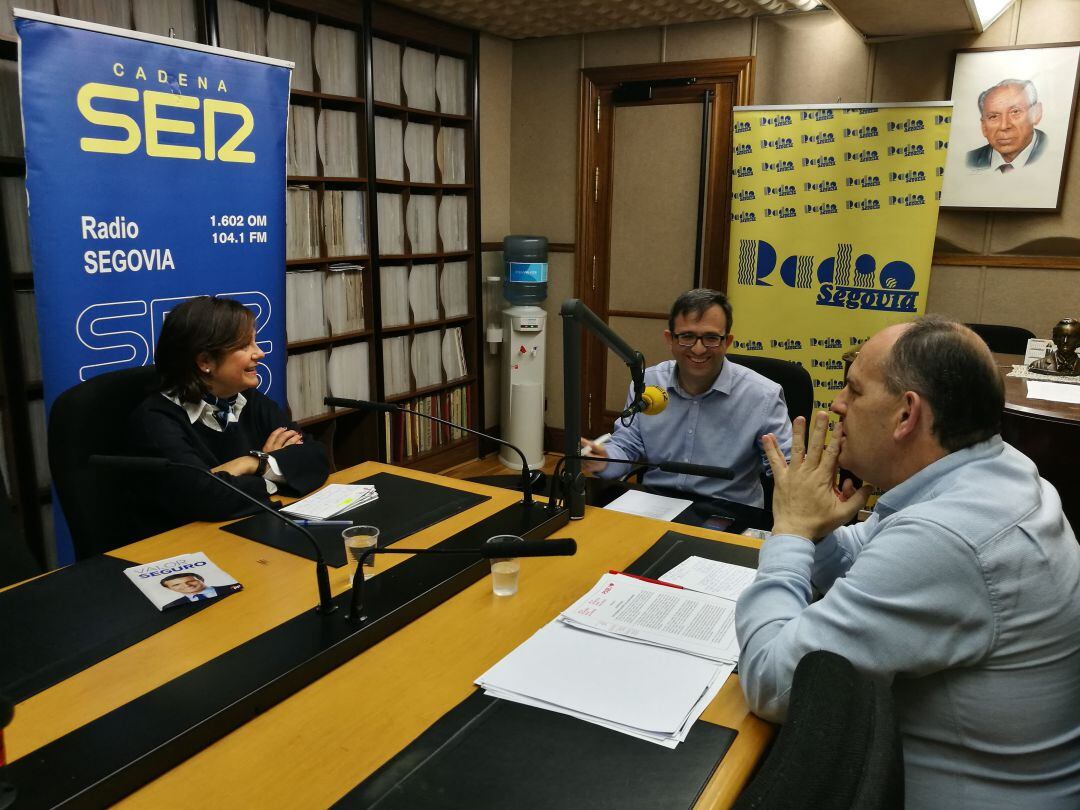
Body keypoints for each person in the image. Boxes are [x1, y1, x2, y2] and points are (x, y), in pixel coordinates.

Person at [736, 317, 1080, 805]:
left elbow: (773, 688)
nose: (837, 404)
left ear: (905, 415)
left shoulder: (948, 537)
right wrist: (820, 526)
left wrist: (790, 531)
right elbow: (865, 556)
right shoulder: (996, 469)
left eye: (853, 389)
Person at [129, 296, 329, 532]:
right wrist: (274, 471)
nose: (260, 353)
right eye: (245, 346)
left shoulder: (246, 398)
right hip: (184, 546)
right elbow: (204, 496)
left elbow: (315, 457)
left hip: (248, 531)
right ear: (205, 361)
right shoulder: (156, 419)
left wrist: (251, 463)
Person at [582, 289, 791, 508]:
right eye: (687, 337)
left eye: (711, 338)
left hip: (727, 509)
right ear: (669, 339)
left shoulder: (762, 395)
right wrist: (603, 459)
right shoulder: (647, 384)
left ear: (727, 342)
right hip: (655, 504)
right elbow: (626, 447)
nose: (698, 349)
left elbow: (785, 468)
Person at [966, 78, 1047, 173]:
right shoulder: (969, 161)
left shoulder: (1051, 155)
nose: (1004, 126)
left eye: (1015, 112)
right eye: (993, 116)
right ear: (984, 127)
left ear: (1036, 114)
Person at [159, 572, 239, 609]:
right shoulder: (171, 606)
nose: (187, 585)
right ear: (169, 588)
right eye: (176, 584)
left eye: (191, 581)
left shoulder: (233, 588)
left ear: (201, 580)